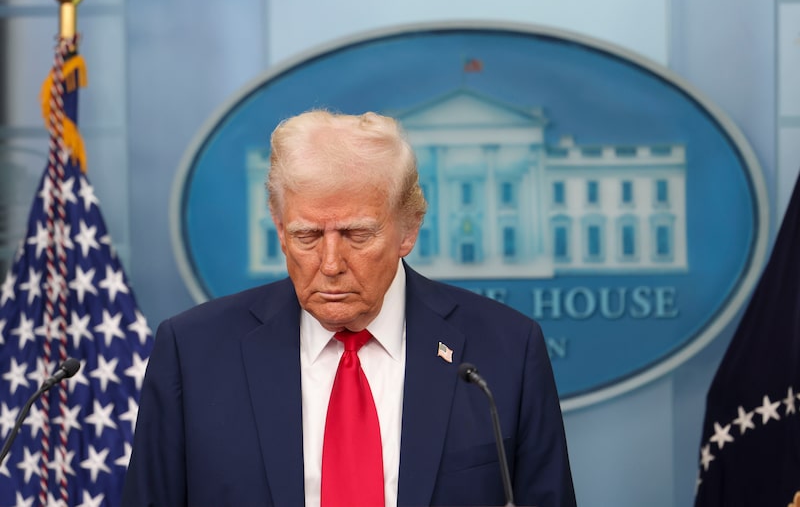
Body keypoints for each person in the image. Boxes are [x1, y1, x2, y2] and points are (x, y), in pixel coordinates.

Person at [122, 110, 577, 507]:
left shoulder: (506, 351)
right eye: (307, 237)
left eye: (357, 235)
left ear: (408, 230)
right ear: (280, 230)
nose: (331, 265)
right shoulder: (194, 353)